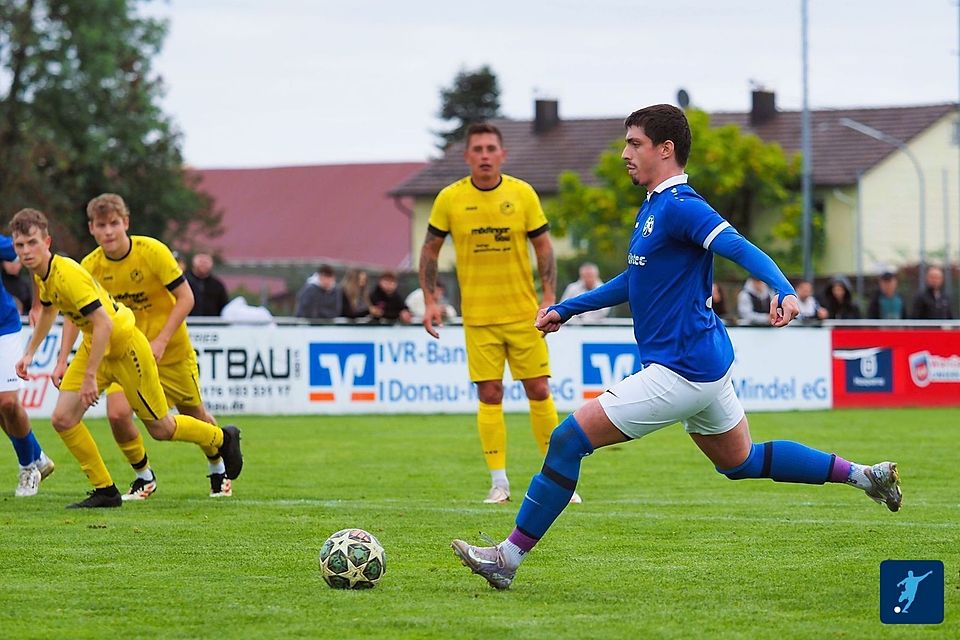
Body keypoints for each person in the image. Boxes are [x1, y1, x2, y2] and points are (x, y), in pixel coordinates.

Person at [450, 104, 901, 590]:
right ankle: (865, 476)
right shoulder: (653, 207)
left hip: (681, 370)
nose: (625, 153)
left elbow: (740, 247)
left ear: (665, 150)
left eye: (634, 143)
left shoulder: (682, 205)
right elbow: (636, 279)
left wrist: (784, 289)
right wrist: (570, 307)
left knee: (566, 442)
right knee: (741, 462)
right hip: (705, 365)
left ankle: (507, 558)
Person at [11, 208, 243, 508]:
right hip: (97, 344)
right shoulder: (44, 275)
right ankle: (106, 490)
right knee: (63, 419)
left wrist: (91, 377)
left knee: (161, 428)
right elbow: (49, 310)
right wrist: (32, 353)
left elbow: (104, 322)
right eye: (20, 245)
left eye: (32, 243)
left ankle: (221, 438)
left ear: (47, 242)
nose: (26, 251)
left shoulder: (67, 274)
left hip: (125, 346)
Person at [419, 121, 575, 505]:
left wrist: (550, 297)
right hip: (479, 318)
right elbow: (429, 251)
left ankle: (557, 482)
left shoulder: (522, 194)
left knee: (539, 389)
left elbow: (544, 247)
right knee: (490, 394)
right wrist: (429, 300)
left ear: (502, 154)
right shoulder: (449, 199)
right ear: (467, 155)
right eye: (478, 149)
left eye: (492, 149)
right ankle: (499, 483)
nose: (485, 155)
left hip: (525, 315)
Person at [0, 234, 55, 496]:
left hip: (4, 328)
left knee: (8, 403)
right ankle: (38, 457)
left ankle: (28, 468)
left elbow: (34, 258)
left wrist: (37, 304)